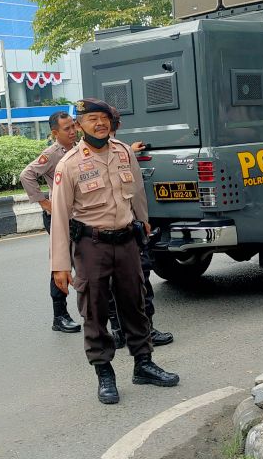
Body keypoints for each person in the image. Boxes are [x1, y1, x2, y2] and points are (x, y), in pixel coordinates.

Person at [50, 98, 180, 404]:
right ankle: (104, 372)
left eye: (104, 118)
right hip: (90, 244)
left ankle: (143, 364)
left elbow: (136, 191)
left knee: (134, 302)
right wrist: (60, 265)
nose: (100, 123)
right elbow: (59, 215)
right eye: (92, 119)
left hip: (126, 241)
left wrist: (144, 222)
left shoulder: (122, 152)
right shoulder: (68, 164)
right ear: (80, 125)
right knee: (94, 309)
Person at [105, 110, 173, 350]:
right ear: (119, 124)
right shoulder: (122, 151)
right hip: (128, 227)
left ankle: (119, 332)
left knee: (111, 286)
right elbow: (136, 192)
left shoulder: (92, 154)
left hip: (103, 233)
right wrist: (144, 220)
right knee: (140, 280)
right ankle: (146, 330)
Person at [20, 110, 81, 334]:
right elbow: (26, 175)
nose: (73, 131)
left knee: (85, 261)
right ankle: (60, 316)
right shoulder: (53, 153)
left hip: (77, 216)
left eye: (74, 126)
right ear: (55, 133)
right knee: (61, 264)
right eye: (67, 129)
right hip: (59, 218)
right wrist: (44, 203)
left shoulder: (78, 148)